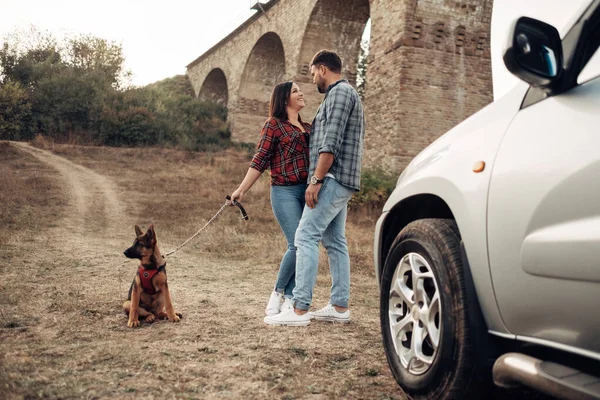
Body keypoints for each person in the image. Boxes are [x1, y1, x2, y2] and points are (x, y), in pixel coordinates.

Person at [264, 50, 365, 327]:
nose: (312, 80)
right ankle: (340, 306)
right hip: (339, 179)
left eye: (311, 73)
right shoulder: (338, 95)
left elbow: (329, 142)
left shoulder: (340, 94)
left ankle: (299, 310)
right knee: (334, 241)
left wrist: (316, 180)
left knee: (305, 236)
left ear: (322, 69)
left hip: (332, 178)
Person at [230, 81, 311, 316]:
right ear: (284, 99)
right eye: (295, 91)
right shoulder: (273, 125)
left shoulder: (307, 126)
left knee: (304, 246)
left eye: (300, 89)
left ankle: (290, 297)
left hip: (306, 192)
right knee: (296, 244)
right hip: (284, 191)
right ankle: (278, 292)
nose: (301, 93)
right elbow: (261, 159)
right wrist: (241, 189)